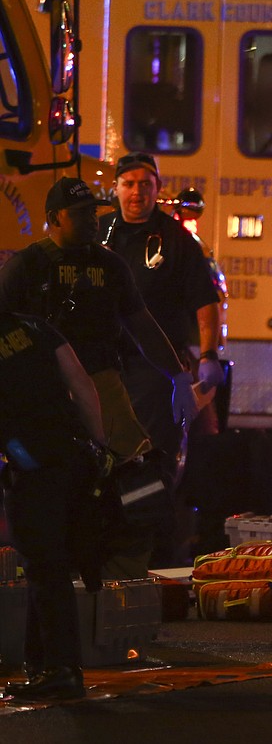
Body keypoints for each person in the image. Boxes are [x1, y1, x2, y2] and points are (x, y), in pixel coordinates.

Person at [0, 176, 198, 578]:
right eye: (81, 213)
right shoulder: (27, 266)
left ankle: (123, 582)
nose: (93, 219)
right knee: (52, 484)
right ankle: (49, 579)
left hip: (104, 385)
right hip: (44, 396)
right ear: (54, 218)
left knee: (139, 481)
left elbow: (140, 323)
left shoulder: (109, 266)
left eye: (95, 211)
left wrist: (178, 377)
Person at [100, 152, 224, 565]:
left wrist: (208, 355)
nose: (137, 192)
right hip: (101, 368)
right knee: (102, 460)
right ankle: (105, 549)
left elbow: (205, 303)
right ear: (115, 188)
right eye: (129, 183)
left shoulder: (176, 241)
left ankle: (154, 558)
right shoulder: (99, 234)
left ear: (157, 190)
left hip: (158, 373)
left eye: (146, 184)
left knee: (152, 461)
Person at [0, 312, 108, 702]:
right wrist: (101, 446)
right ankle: (42, 665)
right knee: (49, 564)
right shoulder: (34, 327)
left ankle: (62, 670)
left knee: (44, 567)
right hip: (72, 454)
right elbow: (81, 384)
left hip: (30, 463)